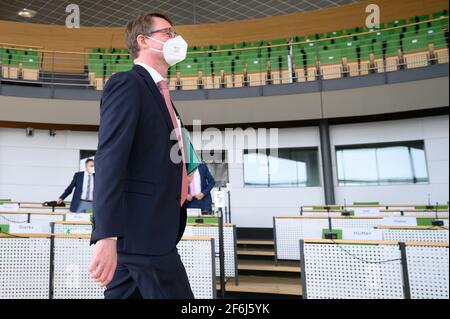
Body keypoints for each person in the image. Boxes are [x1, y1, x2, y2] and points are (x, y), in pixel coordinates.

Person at [88, 13, 194, 299]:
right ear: (143, 40)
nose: (176, 39)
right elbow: (110, 159)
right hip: (144, 235)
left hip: (150, 231)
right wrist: (106, 235)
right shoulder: (127, 84)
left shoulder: (162, 95)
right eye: (168, 33)